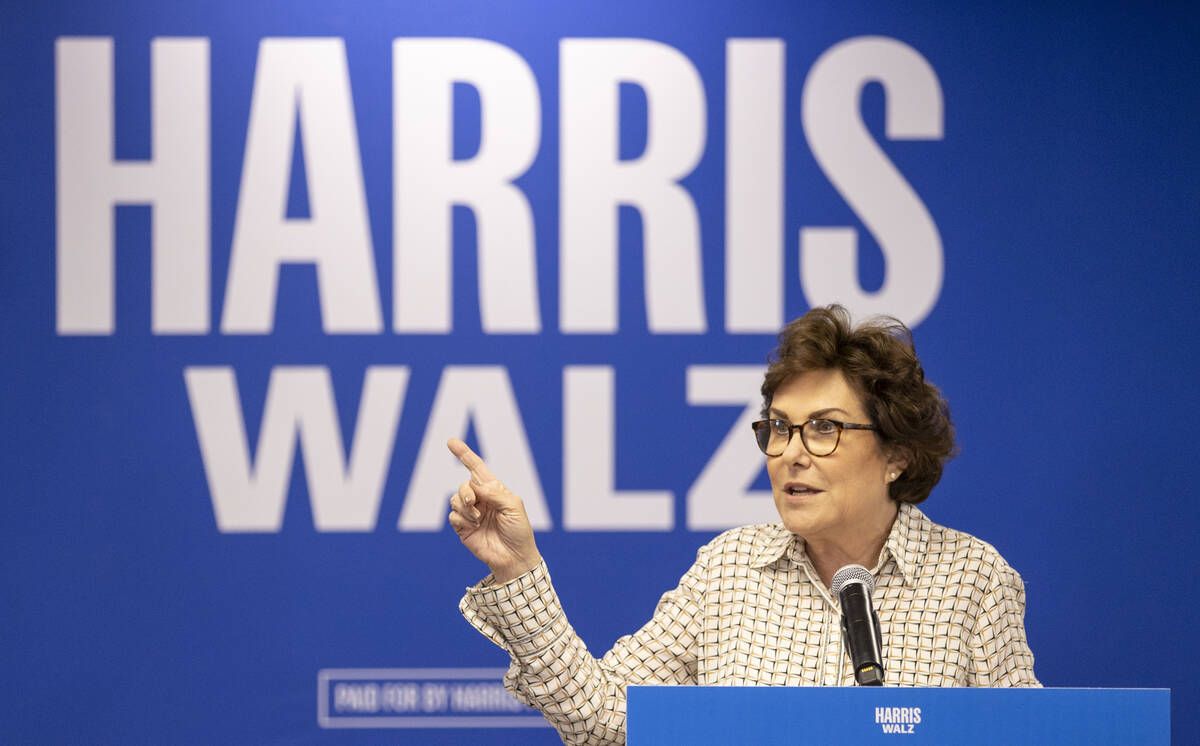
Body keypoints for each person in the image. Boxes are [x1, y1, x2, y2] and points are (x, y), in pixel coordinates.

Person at [447, 305, 1038, 745]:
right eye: (779, 427)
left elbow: (1031, 739)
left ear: (896, 454)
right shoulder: (729, 570)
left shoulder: (974, 582)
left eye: (825, 428)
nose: (791, 453)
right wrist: (519, 568)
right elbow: (603, 717)